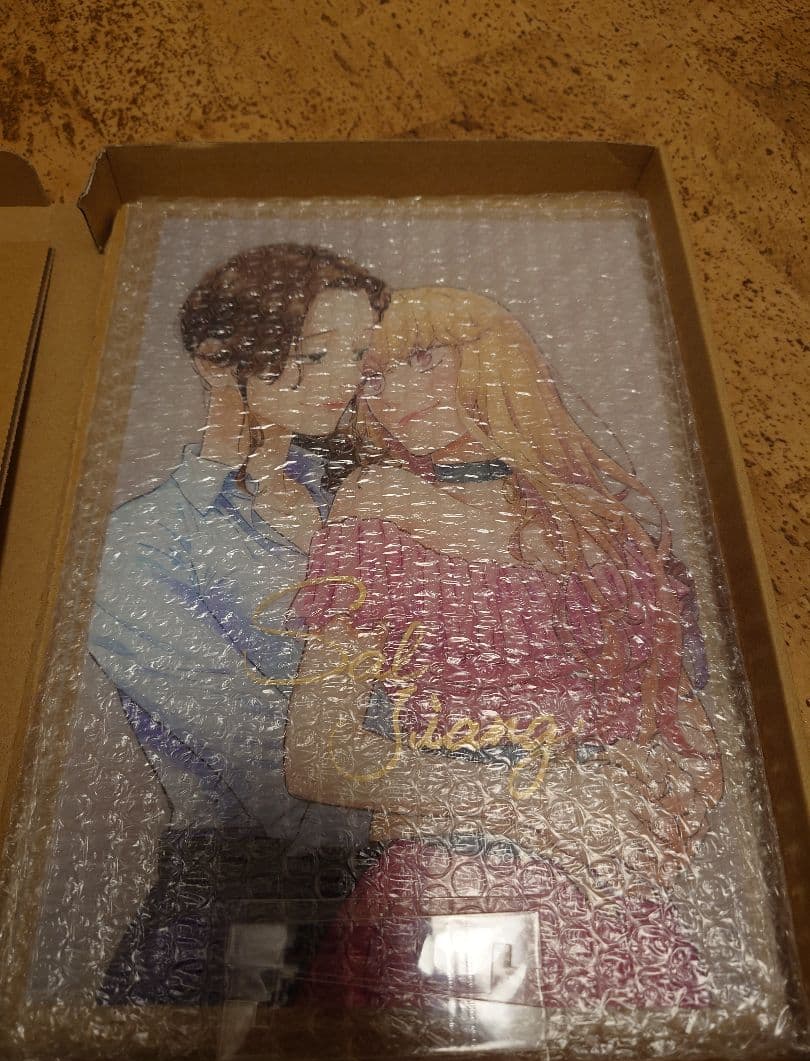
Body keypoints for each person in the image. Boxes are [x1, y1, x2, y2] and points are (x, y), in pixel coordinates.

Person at [283, 287, 723, 1011]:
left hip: (613, 898)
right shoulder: (379, 500)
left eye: (425, 358)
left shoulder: (598, 524)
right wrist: (541, 802)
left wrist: (663, 802)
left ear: (496, 357)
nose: (394, 395)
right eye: (374, 376)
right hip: (457, 884)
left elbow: (680, 725)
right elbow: (318, 755)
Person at [89, 243, 390, 1005]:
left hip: (394, 874)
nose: (346, 379)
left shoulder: (363, 506)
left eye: (360, 354)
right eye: (315, 354)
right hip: (248, 896)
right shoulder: (144, 540)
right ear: (219, 362)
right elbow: (256, 752)